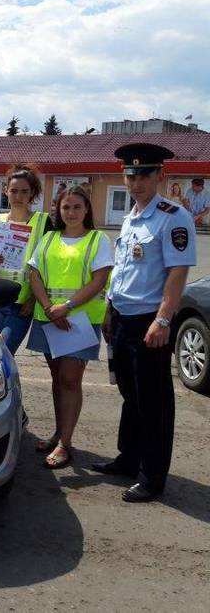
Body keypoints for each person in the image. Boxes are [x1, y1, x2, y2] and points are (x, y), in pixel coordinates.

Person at [92, 143, 196, 503]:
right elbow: (122, 272)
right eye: (131, 175)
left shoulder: (173, 216)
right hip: (122, 317)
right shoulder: (132, 215)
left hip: (148, 322)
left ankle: (152, 477)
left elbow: (177, 273)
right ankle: (128, 458)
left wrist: (163, 319)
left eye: (144, 175)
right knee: (128, 394)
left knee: (154, 402)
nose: (136, 182)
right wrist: (108, 311)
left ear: (159, 176)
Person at [27, 185, 113, 469]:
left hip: (80, 321)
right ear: (58, 210)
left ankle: (66, 443)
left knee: (69, 380)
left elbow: (99, 280)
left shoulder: (97, 239)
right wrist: (50, 308)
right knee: (56, 378)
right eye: (66, 207)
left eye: (77, 207)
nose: (71, 212)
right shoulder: (49, 238)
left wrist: (67, 307)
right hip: (49, 318)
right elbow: (34, 273)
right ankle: (59, 432)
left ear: (87, 209)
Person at [0, 165, 51, 354]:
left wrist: (33, 300)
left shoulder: (43, 222)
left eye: (24, 191)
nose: (18, 196)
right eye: (13, 191)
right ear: (6, 191)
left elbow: (48, 266)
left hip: (21, 302)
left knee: (4, 350)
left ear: (32, 194)